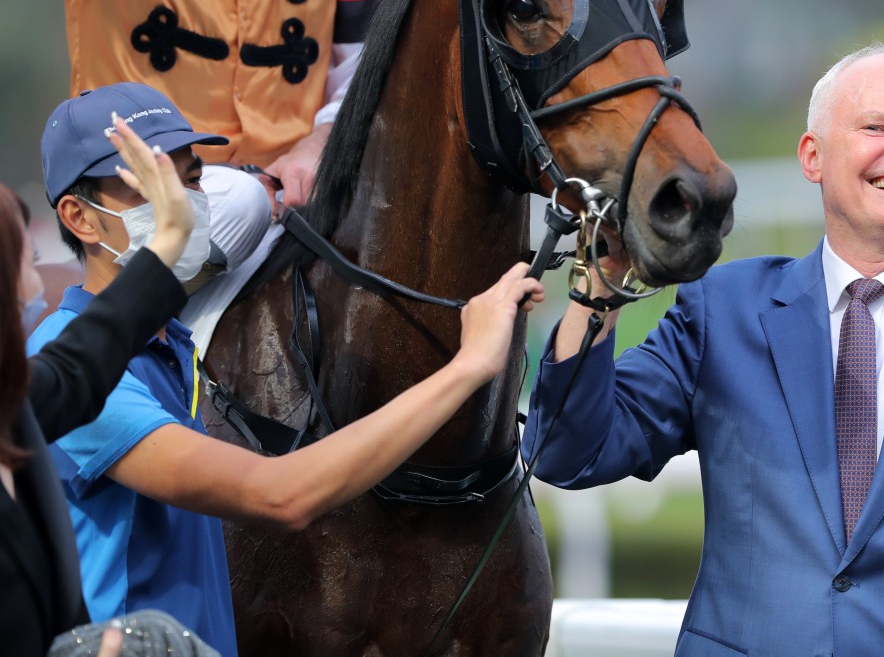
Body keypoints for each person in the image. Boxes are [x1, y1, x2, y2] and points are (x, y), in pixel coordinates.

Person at [522, 43, 884, 655]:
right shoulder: (721, 311)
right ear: (813, 156)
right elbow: (569, 453)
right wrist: (601, 286)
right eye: (877, 127)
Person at [28, 82, 546, 657]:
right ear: (80, 217)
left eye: (192, 180)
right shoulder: (75, 363)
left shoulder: (171, 342)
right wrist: (468, 366)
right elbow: (280, 496)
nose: (183, 203)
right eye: (153, 186)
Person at [0, 0, 394, 323]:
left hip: (293, 200)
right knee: (241, 201)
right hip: (138, 200)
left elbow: (371, 57)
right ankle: (103, 343)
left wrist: (322, 140)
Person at [2, 114, 203, 656]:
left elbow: (88, 358)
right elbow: (280, 494)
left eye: (193, 178)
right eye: (30, 261)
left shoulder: (24, 403)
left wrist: (171, 236)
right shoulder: (47, 361)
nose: (40, 284)